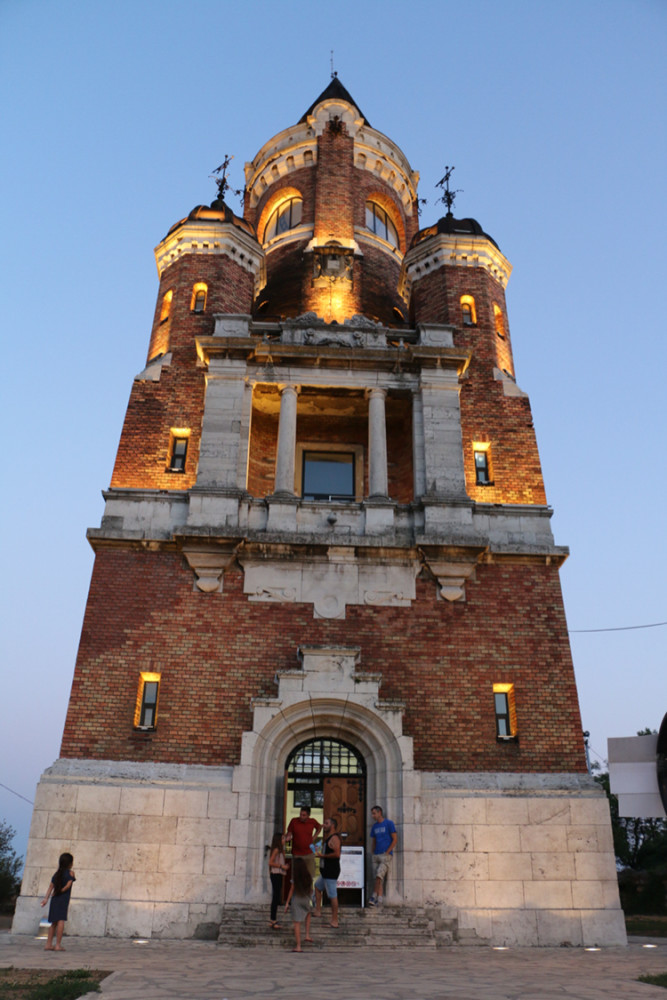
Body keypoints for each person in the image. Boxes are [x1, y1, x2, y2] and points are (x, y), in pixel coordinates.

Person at [40, 852, 76, 951]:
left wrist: (46, 899)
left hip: (54, 899)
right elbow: (68, 886)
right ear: (70, 863)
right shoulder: (70, 873)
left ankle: (48, 944)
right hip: (62, 899)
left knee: (53, 923)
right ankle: (58, 945)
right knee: (61, 921)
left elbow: (50, 887)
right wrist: (60, 891)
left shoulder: (57, 874)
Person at [313, 816, 341, 927]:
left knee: (332, 895)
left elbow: (337, 854)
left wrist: (323, 855)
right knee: (317, 886)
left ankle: (335, 920)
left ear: (332, 825)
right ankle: (318, 910)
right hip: (325, 871)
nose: (324, 825)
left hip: (331, 871)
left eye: (326, 823)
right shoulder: (328, 837)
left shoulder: (335, 838)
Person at [368, 805, 397, 906]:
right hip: (376, 855)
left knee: (378, 876)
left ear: (379, 812)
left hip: (385, 855)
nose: (372, 815)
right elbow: (374, 841)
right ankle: (379, 900)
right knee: (378, 878)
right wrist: (373, 853)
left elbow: (395, 839)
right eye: (372, 813)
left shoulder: (389, 823)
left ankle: (373, 896)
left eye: (374, 813)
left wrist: (388, 852)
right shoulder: (375, 827)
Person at [284, 856, 314, 952]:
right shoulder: (308, 876)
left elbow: (292, 889)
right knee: (308, 913)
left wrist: (287, 902)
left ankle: (298, 946)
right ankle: (307, 934)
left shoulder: (295, 876)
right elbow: (311, 890)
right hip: (305, 899)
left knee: (297, 923)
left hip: (296, 899)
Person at [286, 806, 322, 877]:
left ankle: (309, 888)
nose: (301, 817)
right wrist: (289, 836)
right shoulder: (294, 821)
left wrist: (314, 837)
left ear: (308, 815)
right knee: (296, 876)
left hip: (309, 853)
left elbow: (319, 827)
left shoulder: (312, 821)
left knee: (310, 875)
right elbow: (289, 831)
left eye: (304, 815)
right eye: (300, 814)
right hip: (297, 854)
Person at [268, 832, 288, 929]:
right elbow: (270, 862)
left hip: (279, 874)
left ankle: (273, 919)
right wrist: (281, 866)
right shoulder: (276, 850)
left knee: (277, 895)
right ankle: (273, 919)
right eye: (283, 839)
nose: (284, 841)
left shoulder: (280, 851)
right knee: (275, 897)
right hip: (275, 874)